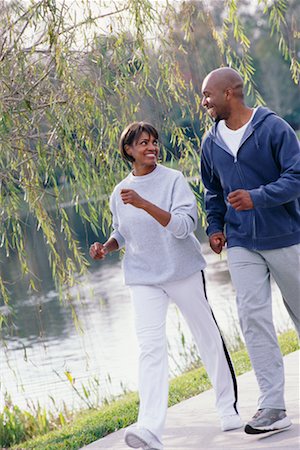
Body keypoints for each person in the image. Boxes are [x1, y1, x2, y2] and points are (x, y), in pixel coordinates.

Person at [89, 121, 243, 450]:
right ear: (128, 150)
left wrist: (145, 203)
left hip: (183, 271)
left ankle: (227, 408)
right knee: (150, 349)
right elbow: (122, 232)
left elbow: (184, 226)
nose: (152, 147)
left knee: (207, 337)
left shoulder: (173, 180)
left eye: (154, 142)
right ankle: (150, 429)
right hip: (144, 277)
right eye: (143, 143)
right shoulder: (120, 191)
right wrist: (107, 247)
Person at [200, 67, 300, 435]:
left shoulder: (274, 128)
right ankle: (273, 406)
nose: (204, 102)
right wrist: (214, 228)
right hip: (241, 242)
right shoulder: (210, 143)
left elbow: (296, 178)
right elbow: (212, 192)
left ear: (230, 93)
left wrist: (256, 198)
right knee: (252, 319)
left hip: (287, 235)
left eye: (208, 95)